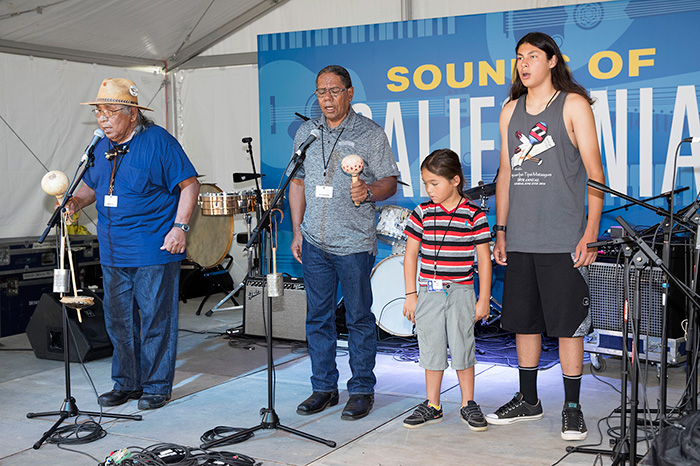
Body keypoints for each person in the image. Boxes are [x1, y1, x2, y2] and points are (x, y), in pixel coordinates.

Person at [488, 32, 605, 440]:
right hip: (520, 236)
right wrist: (500, 231)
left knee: (569, 325)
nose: (524, 64)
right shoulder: (509, 111)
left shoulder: (573, 105)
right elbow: (505, 175)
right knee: (525, 322)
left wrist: (590, 231)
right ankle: (529, 399)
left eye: (533, 56)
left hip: (563, 237)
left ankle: (572, 408)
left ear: (553, 61)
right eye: (519, 57)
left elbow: (595, 173)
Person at [64, 78, 199, 410]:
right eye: (99, 112)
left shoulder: (158, 142)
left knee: (155, 319)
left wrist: (180, 227)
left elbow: (190, 185)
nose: (104, 119)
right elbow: (93, 188)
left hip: (154, 248)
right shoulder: (99, 146)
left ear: (132, 113)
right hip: (113, 251)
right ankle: (126, 383)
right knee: (118, 320)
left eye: (111, 112)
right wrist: (74, 203)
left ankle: (155, 385)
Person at [289, 65, 399, 420]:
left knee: (358, 319)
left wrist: (368, 190)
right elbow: (298, 183)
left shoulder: (370, 133)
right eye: (321, 92)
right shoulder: (307, 132)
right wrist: (296, 231)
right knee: (317, 318)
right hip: (314, 240)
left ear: (350, 93)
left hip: (353, 242)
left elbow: (390, 182)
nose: (327, 99)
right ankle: (323, 388)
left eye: (335, 91)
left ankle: (362, 390)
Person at [401, 149, 492, 430]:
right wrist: (410, 295)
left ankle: (468, 403)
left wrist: (483, 299)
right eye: (426, 183)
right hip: (428, 291)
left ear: (455, 180)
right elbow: (410, 255)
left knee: (463, 346)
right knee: (431, 346)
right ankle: (433, 404)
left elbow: (485, 260)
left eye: (434, 183)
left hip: (462, 292)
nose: (429, 190)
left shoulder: (473, 215)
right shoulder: (423, 213)